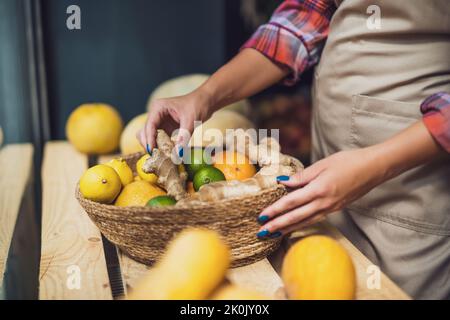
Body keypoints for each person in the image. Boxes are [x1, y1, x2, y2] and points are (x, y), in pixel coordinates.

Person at [139, 0, 450, 299]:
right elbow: (303, 20)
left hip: (412, 185)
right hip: (330, 174)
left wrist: (373, 165)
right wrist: (205, 97)